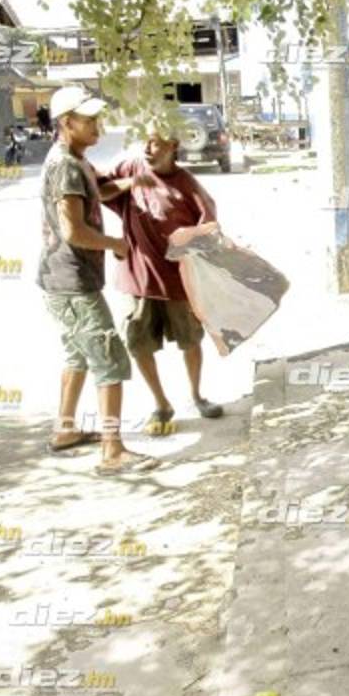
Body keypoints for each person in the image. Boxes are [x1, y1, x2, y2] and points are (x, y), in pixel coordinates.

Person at [38, 86, 158, 475]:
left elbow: (97, 193)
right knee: (109, 359)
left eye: (97, 119)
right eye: (88, 120)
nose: (97, 127)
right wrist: (116, 244)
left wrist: (131, 183)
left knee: (78, 354)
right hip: (72, 281)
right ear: (65, 123)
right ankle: (112, 450)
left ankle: (65, 430)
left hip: (60, 281)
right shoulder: (67, 166)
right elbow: (74, 231)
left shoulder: (75, 160)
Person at [99, 121, 224, 433]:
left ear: (173, 147)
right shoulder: (130, 167)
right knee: (138, 343)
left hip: (179, 283)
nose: (147, 149)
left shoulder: (188, 185)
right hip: (138, 280)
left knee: (190, 341)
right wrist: (131, 183)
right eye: (146, 141)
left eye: (155, 143)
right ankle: (161, 403)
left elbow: (210, 226)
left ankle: (197, 396)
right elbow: (99, 192)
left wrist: (191, 242)